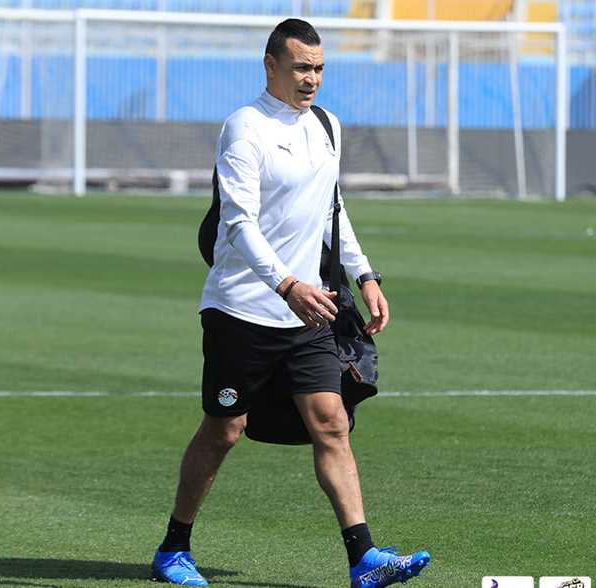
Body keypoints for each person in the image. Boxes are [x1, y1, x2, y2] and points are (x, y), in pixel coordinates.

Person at [151, 18, 431, 588]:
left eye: (319, 69)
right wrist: (286, 285)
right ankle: (173, 549)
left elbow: (333, 210)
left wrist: (365, 274)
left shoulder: (327, 125)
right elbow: (239, 224)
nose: (312, 79)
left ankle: (364, 559)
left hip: (308, 311)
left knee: (331, 422)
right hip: (241, 311)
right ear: (271, 66)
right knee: (225, 429)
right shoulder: (244, 128)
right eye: (302, 67)